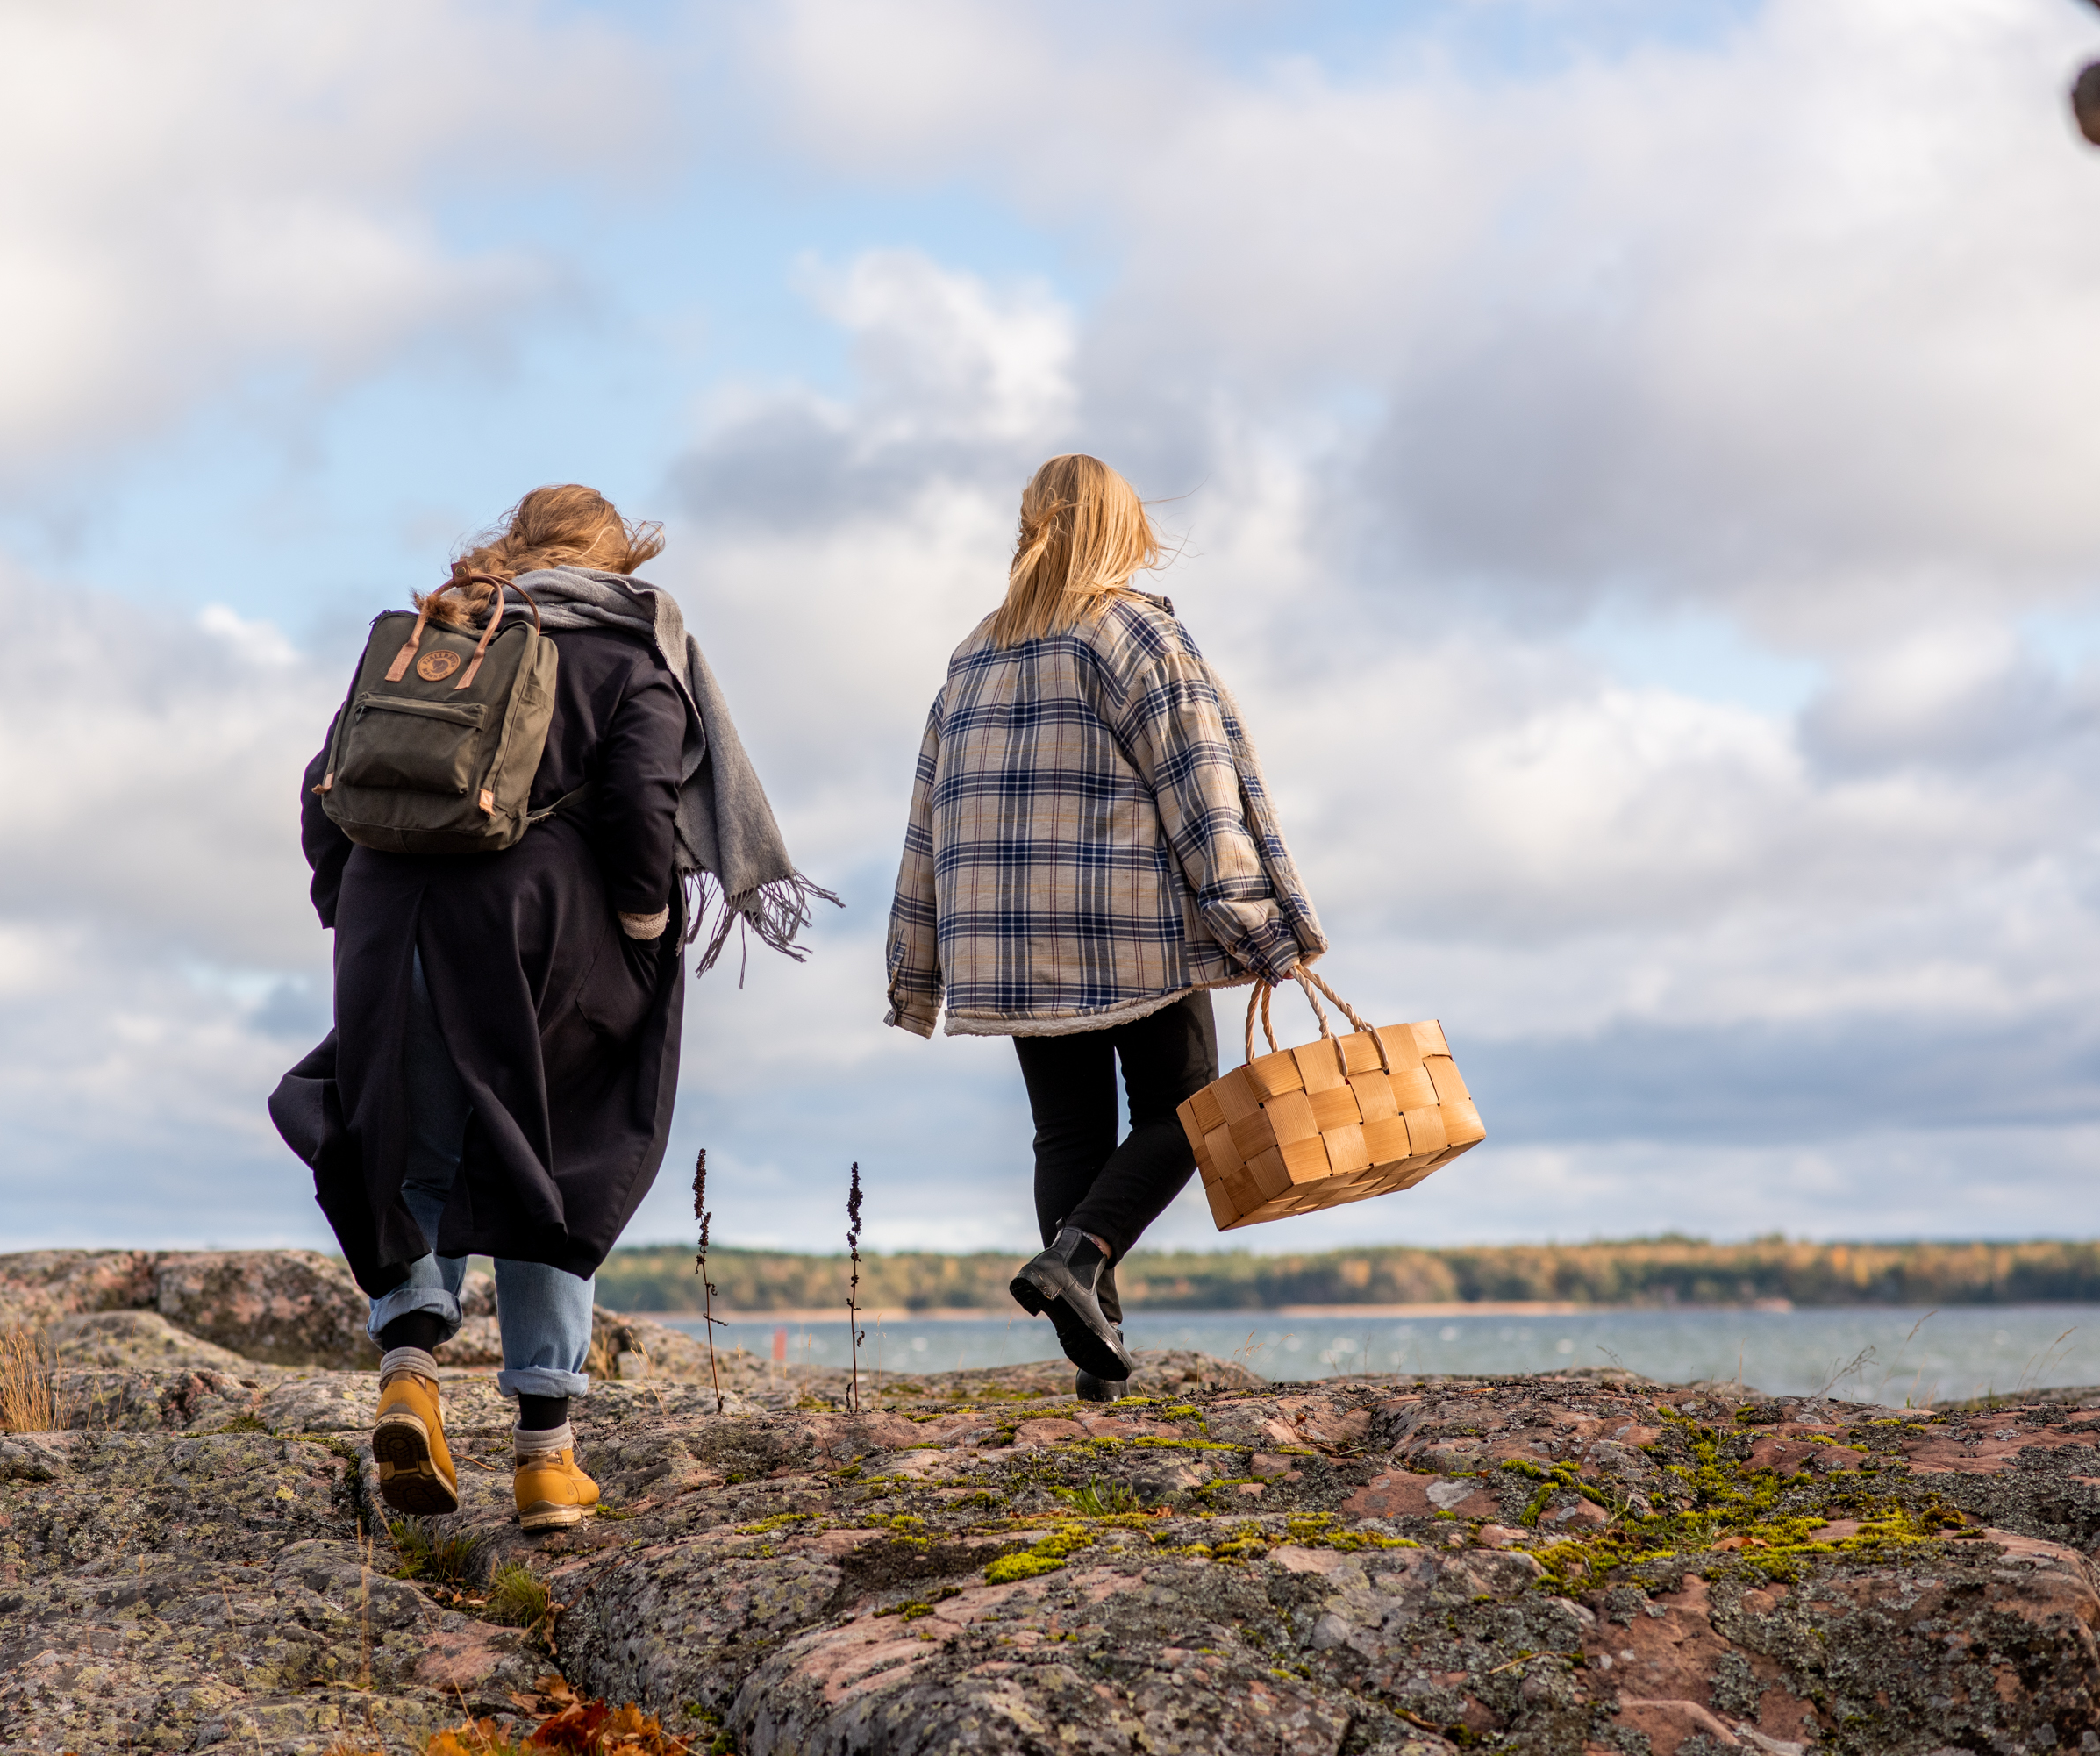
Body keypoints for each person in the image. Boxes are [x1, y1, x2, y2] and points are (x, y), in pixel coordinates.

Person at [271, 485, 829, 1531]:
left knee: (405, 1128)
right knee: (560, 1142)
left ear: (515, 550)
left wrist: (351, 907)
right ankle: (543, 1456)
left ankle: (407, 1374)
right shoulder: (633, 647)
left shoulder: (438, 632)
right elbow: (639, 803)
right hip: (537, 923)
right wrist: (647, 926)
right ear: (622, 561)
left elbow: (325, 787)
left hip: (390, 917)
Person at [884, 454, 1325, 1400]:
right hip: (1127, 932)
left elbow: (929, 814)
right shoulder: (1132, 634)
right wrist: (1253, 922)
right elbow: (1201, 791)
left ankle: (1099, 1355)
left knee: (1067, 1134)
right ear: (1126, 532)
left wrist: (916, 966)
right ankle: (1080, 1257)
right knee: (1190, 1109)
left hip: (1003, 944)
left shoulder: (974, 652)